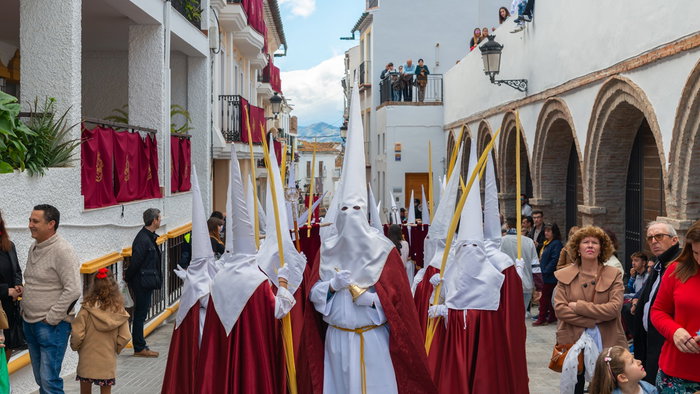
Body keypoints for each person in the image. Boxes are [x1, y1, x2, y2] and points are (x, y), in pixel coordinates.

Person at [299, 81, 435, 394]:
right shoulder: (328, 249)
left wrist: (373, 299)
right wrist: (330, 289)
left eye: (356, 208)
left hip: (373, 340)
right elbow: (314, 300)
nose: (350, 214)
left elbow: (401, 310)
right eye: (344, 208)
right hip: (336, 340)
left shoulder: (384, 252)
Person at [554, 226, 627, 394]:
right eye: (585, 242)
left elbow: (614, 309)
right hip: (573, 340)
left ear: (601, 248)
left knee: (607, 387)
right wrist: (592, 320)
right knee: (575, 387)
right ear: (577, 248)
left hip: (607, 339)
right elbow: (560, 310)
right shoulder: (564, 275)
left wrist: (579, 307)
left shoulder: (613, 273)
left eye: (595, 242)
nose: (590, 245)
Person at [22, 204, 81, 393]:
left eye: (35, 221)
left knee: (49, 381)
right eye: (30, 220)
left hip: (51, 326)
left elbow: (73, 290)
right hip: (30, 323)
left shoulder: (63, 250)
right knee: (42, 379)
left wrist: (52, 318)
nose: (30, 224)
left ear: (51, 224)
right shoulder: (35, 246)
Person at [650, 222, 700, 391]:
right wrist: (674, 331)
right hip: (676, 373)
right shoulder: (677, 270)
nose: (699, 260)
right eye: (696, 253)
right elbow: (658, 311)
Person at [633, 221, 681, 384]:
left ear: (674, 240)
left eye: (659, 236)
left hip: (666, 340)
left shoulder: (678, 265)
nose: (654, 241)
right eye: (650, 238)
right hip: (648, 340)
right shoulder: (659, 263)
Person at [70, 268, 131, 394]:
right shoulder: (119, 311)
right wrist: (115, 348)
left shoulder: (86, 309)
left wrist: (76, 347)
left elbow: (77, 333)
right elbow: (125, 336)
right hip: (107, 359)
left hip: (87, 358)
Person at [125, 208, 163, 358]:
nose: (160, 220)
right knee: (140, 315)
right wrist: (128, 278)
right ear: (154, 220)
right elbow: (136, 262)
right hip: (141, 282)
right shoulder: (143, 239)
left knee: (142, 313)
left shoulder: (148, 237)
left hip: (145, 281)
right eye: (159, 218)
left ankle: (140, 345)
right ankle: (139, 347)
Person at [501, 218, 538, 316]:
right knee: (520, 317)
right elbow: (535, 266)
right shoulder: (529, 242)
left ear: (508, 226)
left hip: (506, 286)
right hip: (526, 285)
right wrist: (539, 287)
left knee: (508, 317)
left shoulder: (500, 242)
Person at [0, 210, 24, 361]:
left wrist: (17, 285)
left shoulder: (9, 245)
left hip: (8, 310)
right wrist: (5, 291)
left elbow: (16, 270)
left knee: (8, 347)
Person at [589, 346, 658, 394]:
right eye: (632, 362)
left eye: (634, 358)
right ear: (622, 377)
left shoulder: (650, 390)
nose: (639, 361)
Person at [533, 223, 563, 326]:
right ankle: (551, 317)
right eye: (545, 231)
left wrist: (545, 270)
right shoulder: (547, 243)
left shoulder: (556, 244)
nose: (546, 233)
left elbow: (555, 259)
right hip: (545, 274)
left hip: (549, 276)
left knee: (544, 298)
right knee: (549, 297)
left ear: (554, 232)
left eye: (549, 231)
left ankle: (542, 318)